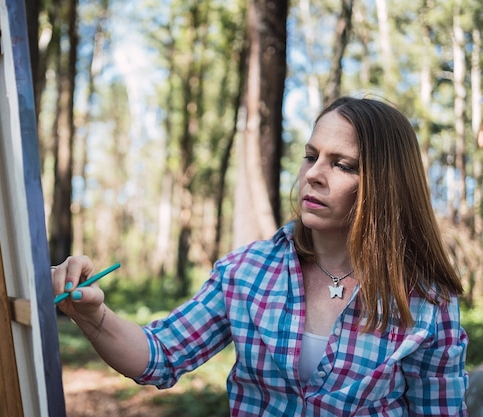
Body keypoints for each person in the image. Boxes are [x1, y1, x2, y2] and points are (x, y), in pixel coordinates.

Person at [52, 96, 469, 416]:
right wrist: (92, 314)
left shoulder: (426, 300)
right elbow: (160, 355)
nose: (313, 175)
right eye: (311, 156)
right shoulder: (248, 271)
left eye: (341, 164)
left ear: (385, 185)